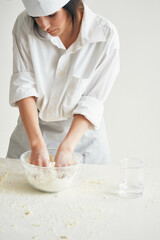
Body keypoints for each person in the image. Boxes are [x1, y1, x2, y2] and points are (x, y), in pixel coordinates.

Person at [7, 0, 120, 167]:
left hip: (83, 139)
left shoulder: (105, 36)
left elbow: (91, 101)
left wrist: (67, 148)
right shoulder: (24, 25)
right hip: (32, 133)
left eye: (52, 15)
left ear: (73, 4)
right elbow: (24, 88)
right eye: (36, 17)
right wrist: (37, 145)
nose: (43, 25)